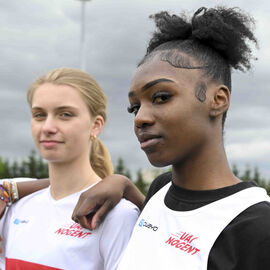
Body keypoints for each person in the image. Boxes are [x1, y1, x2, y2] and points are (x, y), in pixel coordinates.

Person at [71, 6, 270, 270]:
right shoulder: (160, 190)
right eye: (134, 107)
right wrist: (123, 184)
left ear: (218, 100)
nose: (140, 118)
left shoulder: (256, 226)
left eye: (161, 97)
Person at [0, 68, 139, 270]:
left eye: (65, 114)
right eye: (39, 115)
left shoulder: (118, 214)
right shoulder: (15, 206)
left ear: (96, 125)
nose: (47, 127)